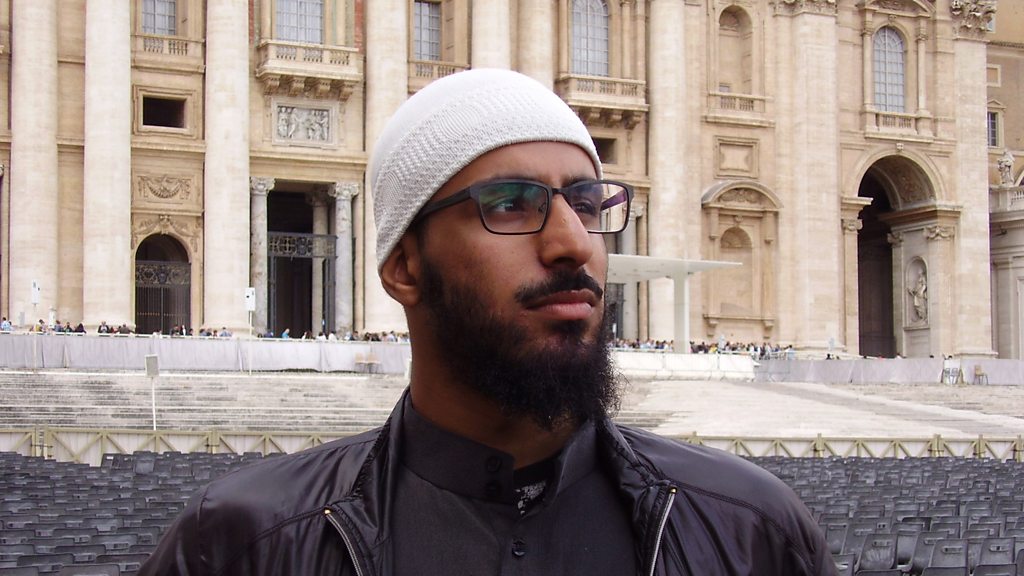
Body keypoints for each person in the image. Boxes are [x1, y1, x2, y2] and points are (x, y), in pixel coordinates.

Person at [140, 69, 832, 576]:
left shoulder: (757, 531)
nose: (574, 243)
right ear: (404, 267)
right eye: (509, 204)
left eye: (586, 203)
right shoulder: (239, 544)